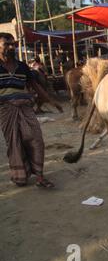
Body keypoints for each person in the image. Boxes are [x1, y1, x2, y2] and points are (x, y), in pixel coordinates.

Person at [0, 33, 57, 188]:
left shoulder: (23, 66)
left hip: (25, 108)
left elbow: (36, 86)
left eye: (13, 44)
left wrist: (51, 101)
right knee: (14, 143)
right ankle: (20, 175)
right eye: (7, 44)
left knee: (36, 139)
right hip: (6, 110)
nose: (11, 47)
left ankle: (39, 175)